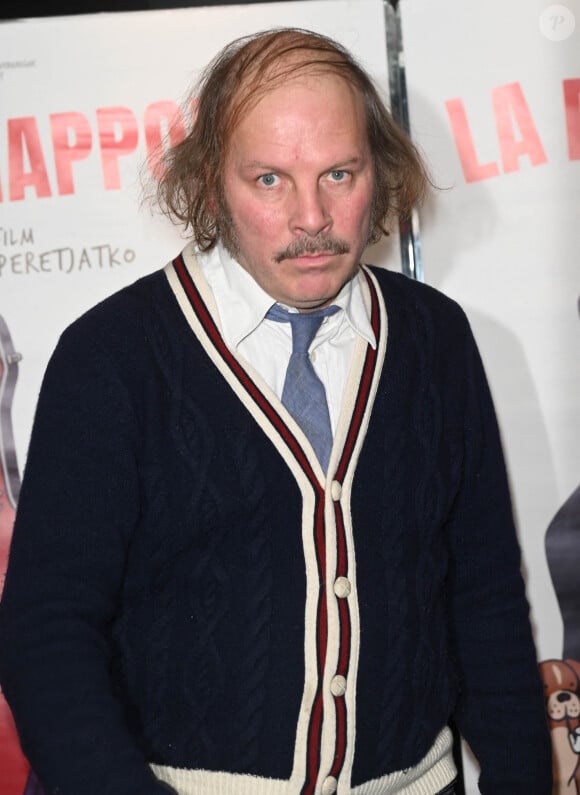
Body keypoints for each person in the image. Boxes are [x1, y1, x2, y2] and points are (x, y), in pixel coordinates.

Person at [0, 28, 551, 795]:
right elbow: (46, 635)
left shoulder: (436, 342)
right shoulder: (113, 358)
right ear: (210, 183)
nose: (312, 217)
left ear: (379, 173)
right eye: (269, 179)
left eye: (339, 173)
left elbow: (484, 598)